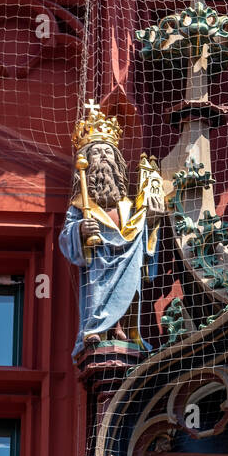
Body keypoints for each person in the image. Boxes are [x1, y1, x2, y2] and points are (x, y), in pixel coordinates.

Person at [59, 107, 162, 357]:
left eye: (108, 152)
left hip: (128, 258)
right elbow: (65, 237)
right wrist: (81, 229)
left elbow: (141, 232)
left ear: (117, 162)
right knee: (99, 286)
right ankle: (95, 327)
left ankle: (119, 327)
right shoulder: (80, 205)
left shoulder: (127, 206)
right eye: (96, 153)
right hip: (98, 261)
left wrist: (152, 218)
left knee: (127, 286)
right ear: (86, 160)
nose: (103, 157)